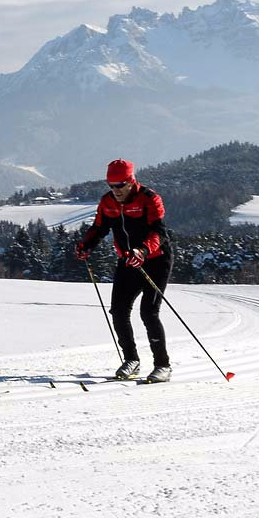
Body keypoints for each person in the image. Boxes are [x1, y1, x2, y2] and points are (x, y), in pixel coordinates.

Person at [74, 159, 174, 383]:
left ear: (131, 181)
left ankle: (163, 365)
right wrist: (85, 246)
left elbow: (159, 233)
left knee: (148, 312)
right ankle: (131, 360)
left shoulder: (149, 199)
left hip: (156, 260)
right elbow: (99, 228)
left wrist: (143, 251)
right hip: (128, 261)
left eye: (120, 185)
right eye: (111, 185)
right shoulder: (107, 202)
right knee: (118, 311)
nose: (115, 190)